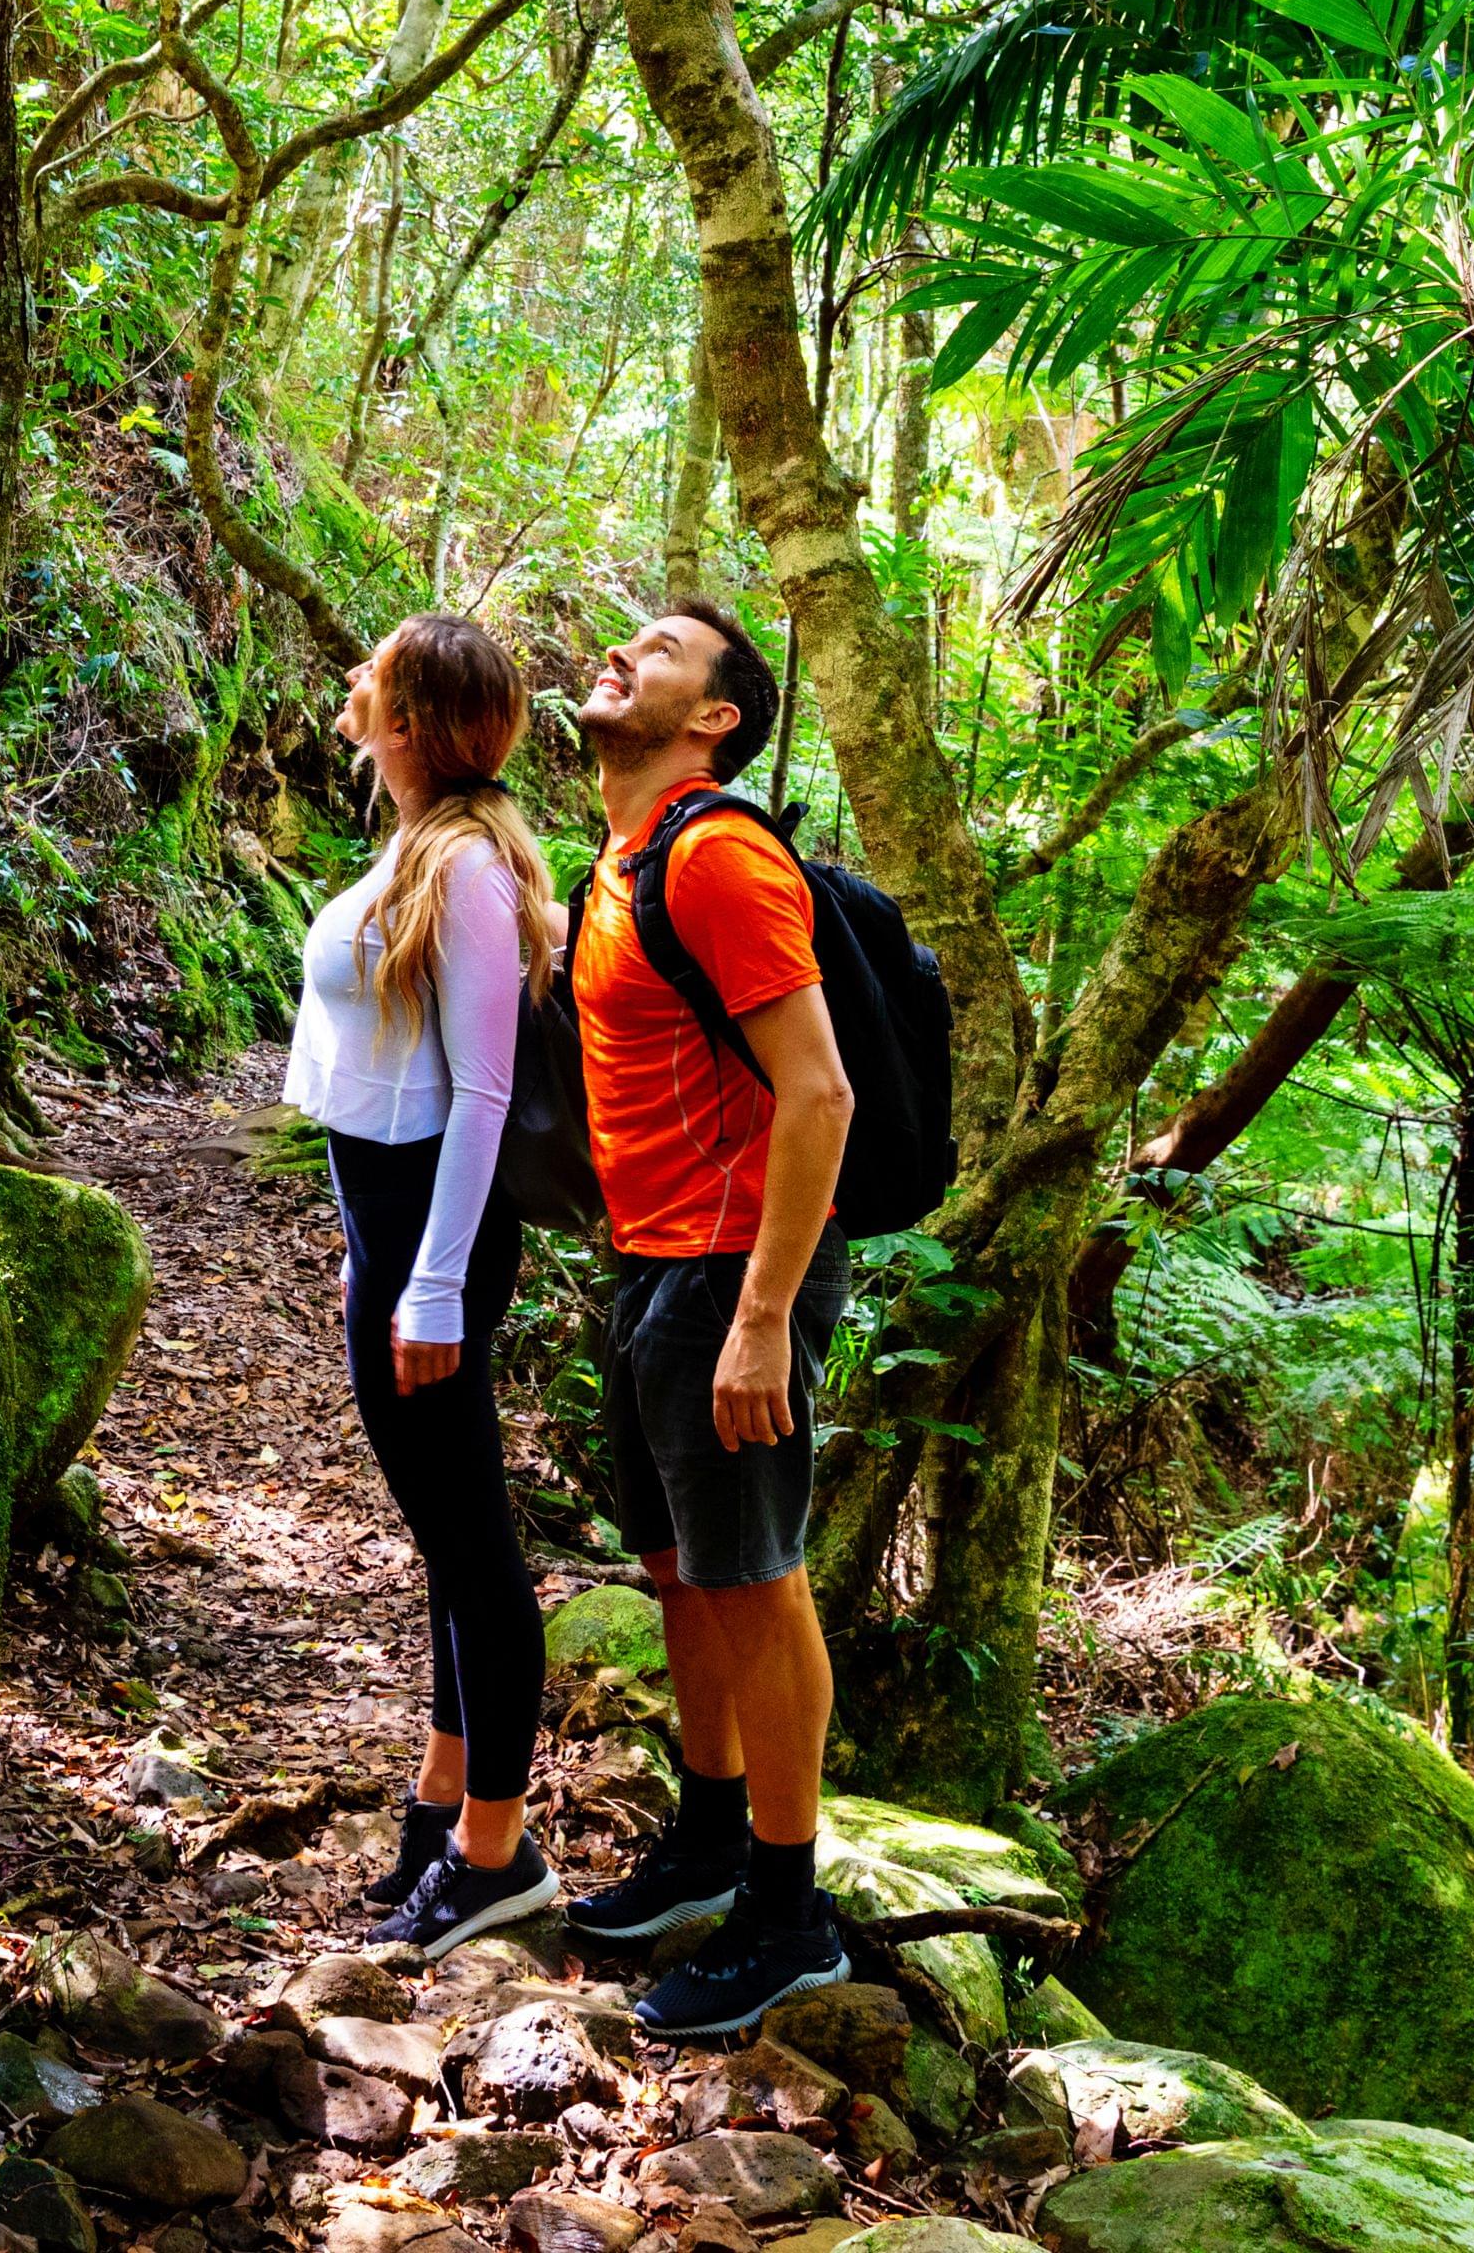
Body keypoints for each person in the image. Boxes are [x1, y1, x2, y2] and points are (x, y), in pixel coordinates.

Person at [550, 602, 864, 2041]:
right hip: (656, 1265)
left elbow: (820, 1092)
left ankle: (788, 1917)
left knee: (755, 1578)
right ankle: (711, 1839)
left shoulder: (721, 853)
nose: (623, 648)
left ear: (716, 714)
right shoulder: (618, 861)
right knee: (683, 1569)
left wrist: (764, 1319)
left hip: (736, 1270)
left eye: (661, 647)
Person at [285, 610, 569, 1950]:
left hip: (425, 1231)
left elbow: (483, 1090)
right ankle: (443, 1802)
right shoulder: (420, 842)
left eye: (378, 671)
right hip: (389, 1222)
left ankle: (495, 1855)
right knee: (445, 1537)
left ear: (409, 719)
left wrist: (435, 1283)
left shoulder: (460, 867)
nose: (354, 676)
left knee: (472, 1545)